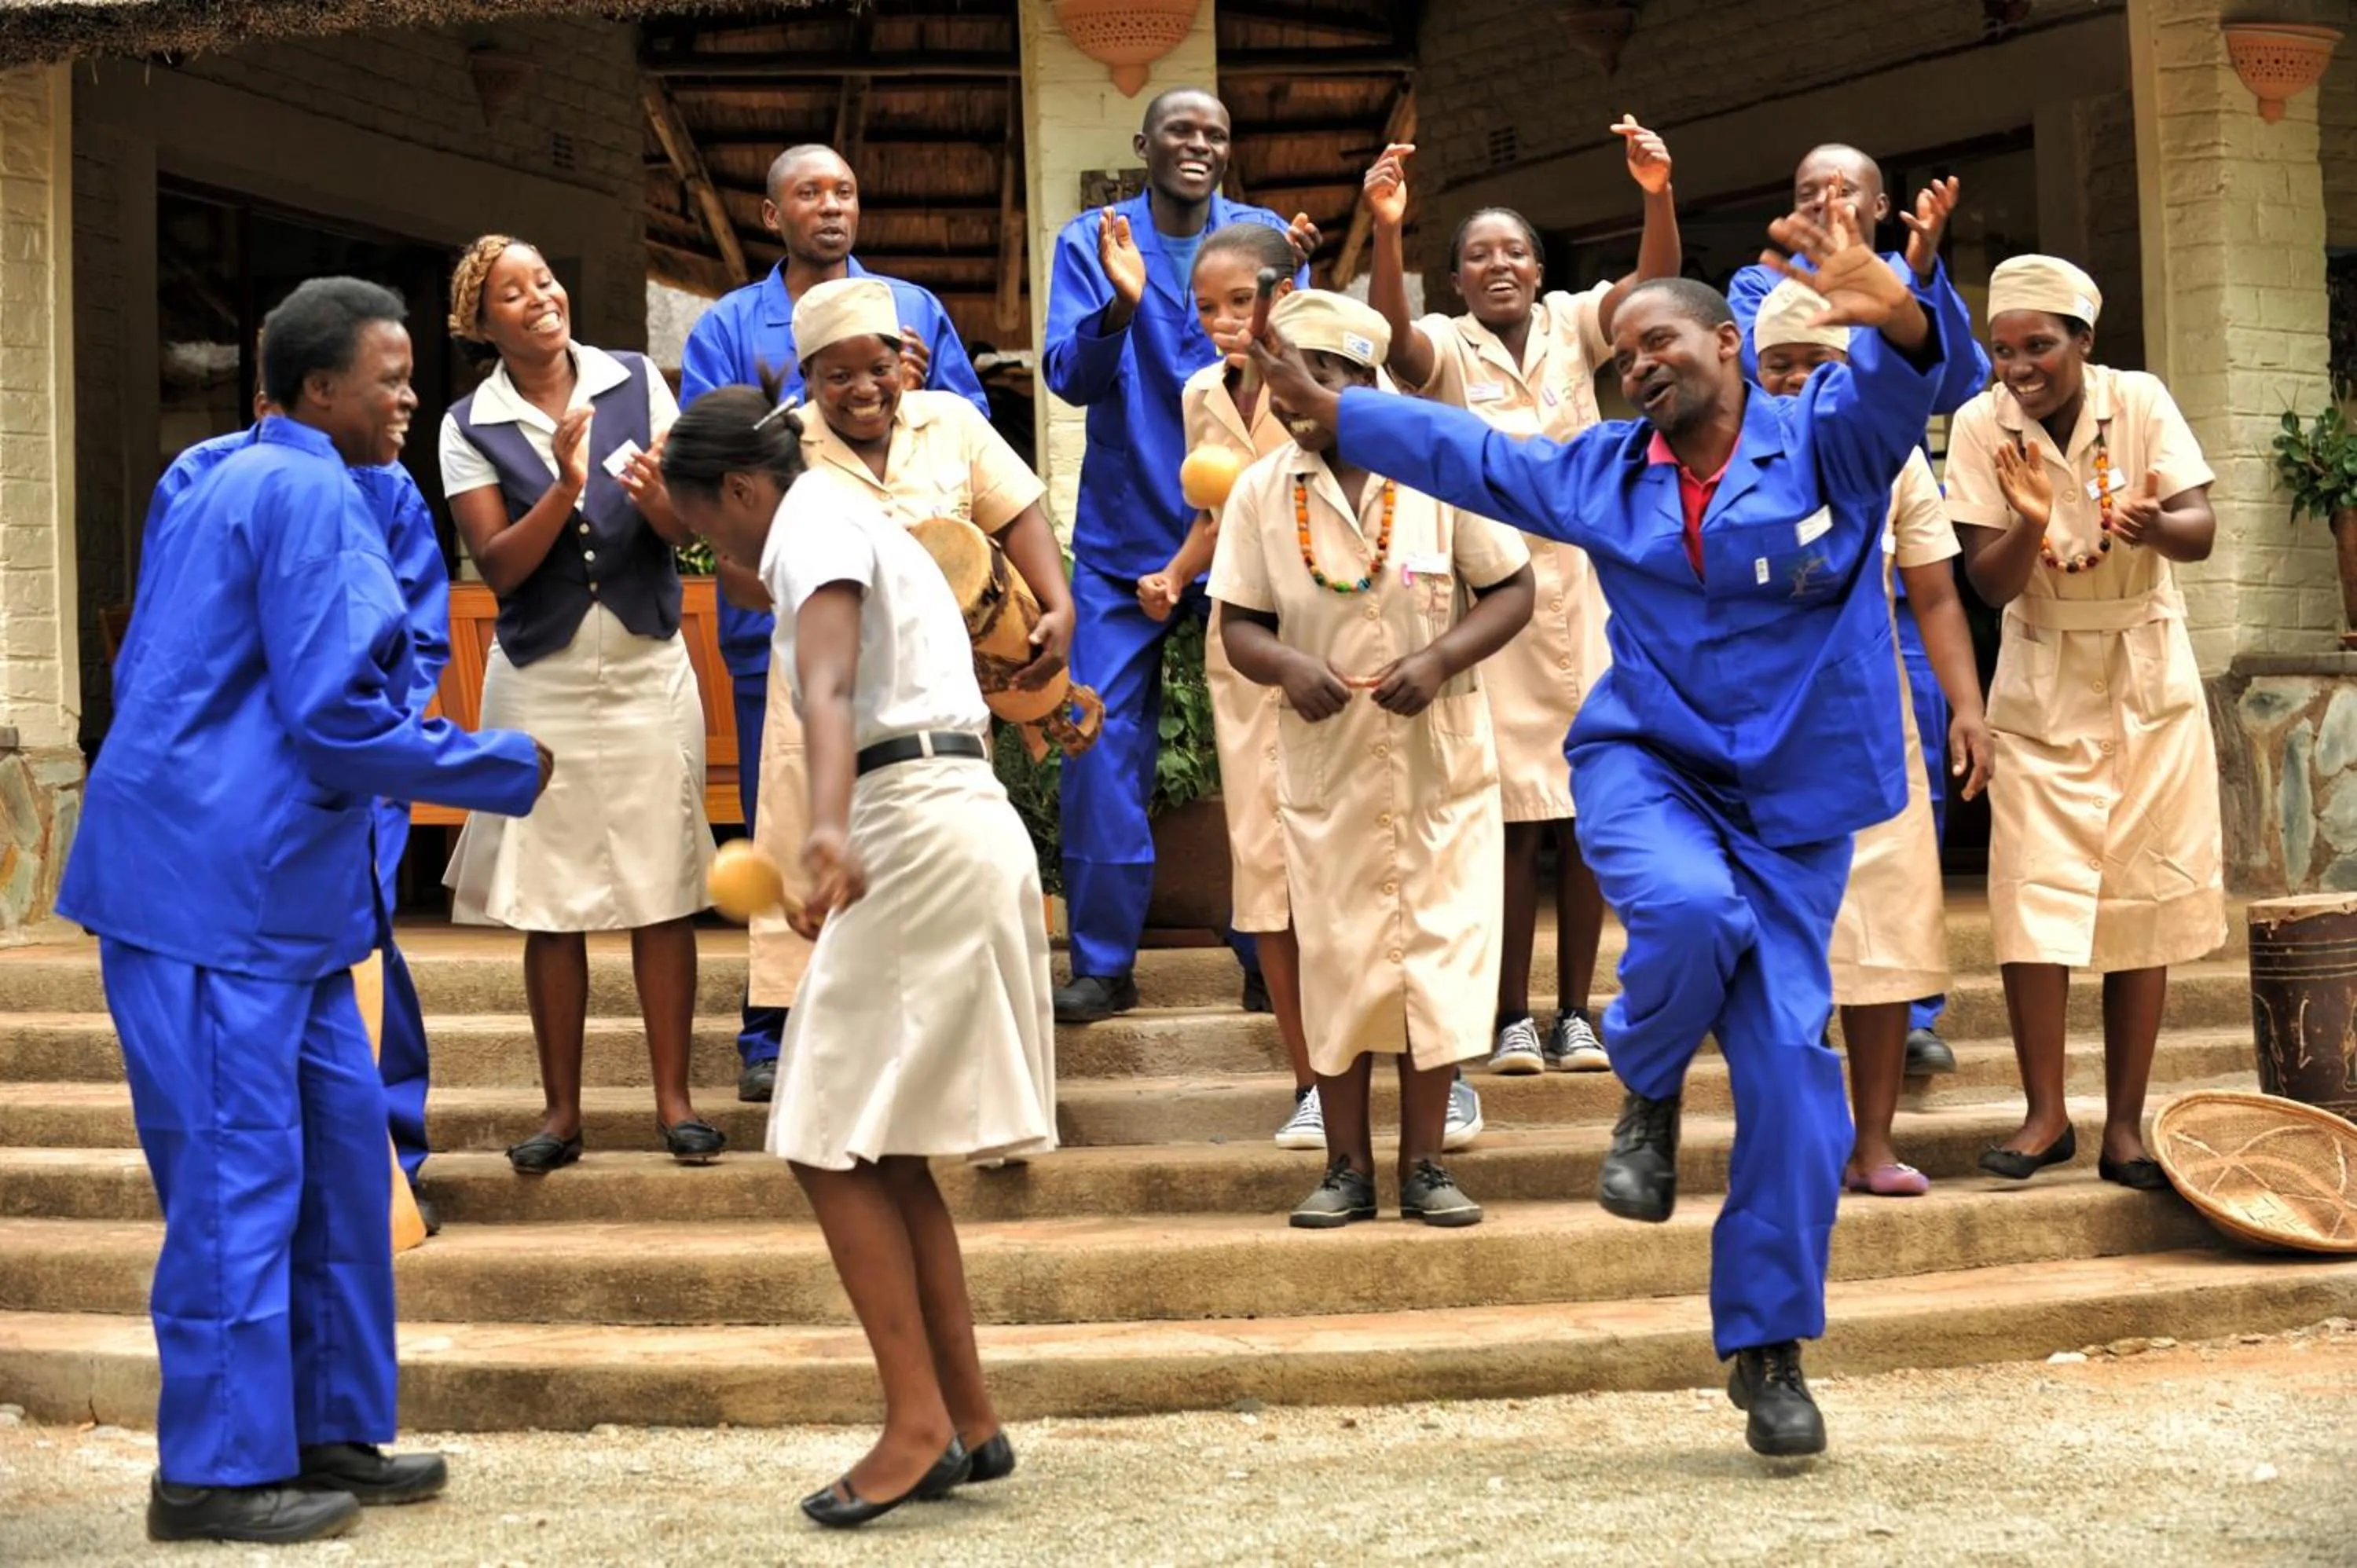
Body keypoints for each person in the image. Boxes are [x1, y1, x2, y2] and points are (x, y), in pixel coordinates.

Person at [1250, 188, 1968, 1455]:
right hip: (1653, 764)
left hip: (1798, 803)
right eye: (1624, 349)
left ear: (1725, 346)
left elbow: (1910, 380)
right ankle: (1644, 1089)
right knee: (1686, 914)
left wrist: (1900, 308)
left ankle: (1768, 1347)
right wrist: (1341, 411)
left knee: (1796, 1089)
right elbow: (1478, 457)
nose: (1641, 362)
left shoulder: (1829, 446)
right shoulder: (1600, 470)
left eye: (1664, 342)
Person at [57, 277, 549, 1544]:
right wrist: (507, 768)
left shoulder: (214, 471)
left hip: (286, 894)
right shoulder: (309, 490)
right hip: (215, 890)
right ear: (319, 390)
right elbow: (336, 717)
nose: (409, 398)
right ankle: (213, 1474)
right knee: (236, 1176)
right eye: (390, 379)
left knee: (338, 1161)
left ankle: (325, 1426)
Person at [661, 380, 1053, 1530]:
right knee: (881, 1149)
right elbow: (813, 644)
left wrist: (822, 833)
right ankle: (966, 1417)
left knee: (824, 1131)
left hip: (910, 824)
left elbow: (828, 688)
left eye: (705, 526)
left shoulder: (816, 522)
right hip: (937, 812)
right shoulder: (841, 513)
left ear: (741, 488)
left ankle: (916, 1422)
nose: (713, 552)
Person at [1362, 119, 1678, 1079]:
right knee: (1500, 817)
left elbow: (1650, 288)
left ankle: (1575, 1010)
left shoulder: (1578, 328)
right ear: (1455, 278)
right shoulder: (1449, 347)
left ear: (1540, 270)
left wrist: (1656, 196)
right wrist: (1386, 232)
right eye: (1476, 256)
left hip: (1580, 595)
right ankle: (1506, 1016)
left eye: (1514, 252)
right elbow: (1390, 337)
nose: (1497, 266)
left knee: (1581, 810)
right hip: (1485, 599)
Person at [1214, 289, 1535, 1232]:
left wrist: (1439, 659)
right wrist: (1283, 665)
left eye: (1305, 385)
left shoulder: (1433, 476)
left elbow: (1510, 587)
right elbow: (1236, 621)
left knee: (1434, 960)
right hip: (1328, 758)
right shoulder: (1258, 491)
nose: (1286, 407)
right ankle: (1347, 1166)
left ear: (1359, 384)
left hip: (1438, 763)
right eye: (1276, 391)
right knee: (1341, 960)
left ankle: (1426, 1161)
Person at [680, 145, 992, 1103]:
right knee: (786, 803)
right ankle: (773, 1021)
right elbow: (721, 455)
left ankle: (907, 1026)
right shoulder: (731, 323)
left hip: (921, 630)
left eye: (846, 190)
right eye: (810, 191)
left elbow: (970, 431)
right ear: (772, 213)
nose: (831, 206)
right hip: (783, 611)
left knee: (893, 813)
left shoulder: (915, 309)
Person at [438, 234, 720, 1171]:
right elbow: (505, 567)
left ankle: (674, 1102)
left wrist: (658, 499)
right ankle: (561, 1113)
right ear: (482, 325)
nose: (538, 298)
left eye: (545, 279)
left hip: (646, 663)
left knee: (664, 883)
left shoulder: (636, 378)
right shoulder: (467, 423)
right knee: (550, 899)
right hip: (542, 679)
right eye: (511, 294)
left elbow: (690, 530)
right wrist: (565, 487)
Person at [1944, 255, 2225, 1189]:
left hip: (2147, 667)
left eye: (2039, 345)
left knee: (2139, 902)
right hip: (2040, 675)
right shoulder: (1985, 424)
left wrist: (2150, 525)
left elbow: (2201, 528)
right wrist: (2027, 520)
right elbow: (1985, 580)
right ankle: (2044, 1117)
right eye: (2003, 348)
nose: (2019, 365)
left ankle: (2127, 1130)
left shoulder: (2138, 400)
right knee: (2033, 898)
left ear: (2083, 341)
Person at [141, 381, 450, 1229]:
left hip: (349, 762)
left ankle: (390, 1166)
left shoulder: (386, 486)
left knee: (358, 943)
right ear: (270, 396)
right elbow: (173, 631)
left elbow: (418, 639)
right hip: (229, 773)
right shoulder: (199, 478)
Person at [1043, 84, 1318, 1031]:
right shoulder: (1092, 239)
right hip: (1125, 536)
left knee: (1265, 742)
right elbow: (1070, 379)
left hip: (1255, 534)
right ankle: (1105, 963)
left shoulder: (1269, 236)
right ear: (1144, 143)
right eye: (1180, 131)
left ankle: (1266, 946)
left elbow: (1314, 368)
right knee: (1098, 740)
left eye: (1215, 133)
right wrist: (1120, 308)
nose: (1198, 145)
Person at [742, 277, 1074, 1036]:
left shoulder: (953, 422)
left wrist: (1059, 604)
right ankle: (793, 1032)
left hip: (939, 692)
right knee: (810, 838)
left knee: (940, 861)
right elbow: (749, 563)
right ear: (808, 378)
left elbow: (1019, 513)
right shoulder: (784, 448)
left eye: (880, 369)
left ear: (906, 362)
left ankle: (951, 1027)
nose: (864, 389)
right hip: (824, 687)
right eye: (839, 375)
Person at [1728, 145, 1995, 1072]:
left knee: (1898, 831)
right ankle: (1800, 1038)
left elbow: (1948, 379)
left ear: (1882, 207)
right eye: (1807, 192)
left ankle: (1906, 1012)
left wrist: (1909, 285)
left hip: (1880, 631)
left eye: (1843, 191)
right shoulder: (1758, 290)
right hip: (1777, 658)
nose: (1826, 202)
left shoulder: (1907, 288)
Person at [1752, 280, 1993, 1196]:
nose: (1798, 378)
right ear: (1753, 370)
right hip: (1756, 732)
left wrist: (1967, 707)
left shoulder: (1892, 455)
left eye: (1819, 361)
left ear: (1849, 368)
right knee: (1777, 947)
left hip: (1871, 722)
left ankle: (1875, 1142)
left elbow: (1934, 592)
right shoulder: (1723, 456)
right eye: (1780, 362)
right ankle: (1796, 1141)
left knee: (1885, 931)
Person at [1135, 222, 1321, 1149]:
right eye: (1204, 308)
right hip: (1244, 639)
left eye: (1238, 302)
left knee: (1359, 861)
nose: (1220, 323)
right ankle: (1310, 1081)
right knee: (1267, 865)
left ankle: (1413, 1069)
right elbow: (1218, 511)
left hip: (1339, 630)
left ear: (1283, 292)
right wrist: (1176, 573)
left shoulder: (1335, 371)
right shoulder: (1201, 390)